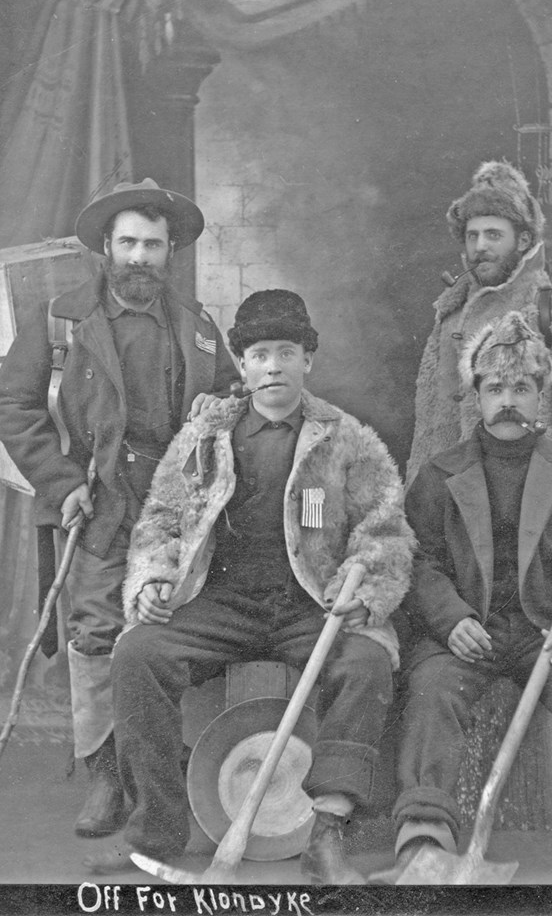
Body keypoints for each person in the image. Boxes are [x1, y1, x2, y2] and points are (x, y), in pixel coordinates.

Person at [83, 289, 415, 882]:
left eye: (287, 351)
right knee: (137, 652)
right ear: (241, 365)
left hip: (309, 605)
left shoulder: (346, 439)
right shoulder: (205, 438)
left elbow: (385, 528)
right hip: (220, 604)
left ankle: (327, 835)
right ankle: (154, 832)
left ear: (308, 360)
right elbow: (162, 517)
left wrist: (362, 589)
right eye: (259, 354)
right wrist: (156, 578)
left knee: (366, 662)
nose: (273, 366)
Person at [374, 310, 552, 885]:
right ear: (475, 395)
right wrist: (449, 619)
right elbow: (418, 558)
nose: (508, 401)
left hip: (546, 637)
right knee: (430, 689)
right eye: (495, 387)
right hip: (465, 634)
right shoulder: (439, 473)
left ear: (541, 396)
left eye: (521, 388)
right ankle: (423, 840)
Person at [0, 179, 239, 838]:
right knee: (96, 634)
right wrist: (61, 482)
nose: (140, 257)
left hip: (175, 518)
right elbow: (13, 405)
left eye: (153, 245)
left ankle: (156, 765)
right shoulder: (61, 321)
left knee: (162, 634)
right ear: (107, 246)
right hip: (99, 504)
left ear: (169, 254)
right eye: (129, 242)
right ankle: (104, 773)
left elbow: (230, 400)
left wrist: (218, 414)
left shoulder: (197, 327)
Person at [407, 160, 552, 494]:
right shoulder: (449, 318)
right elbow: (428, 436)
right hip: (457, 513)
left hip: (539, 511)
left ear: (523, 240)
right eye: (472, 235)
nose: (480, 247)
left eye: (493, 234)